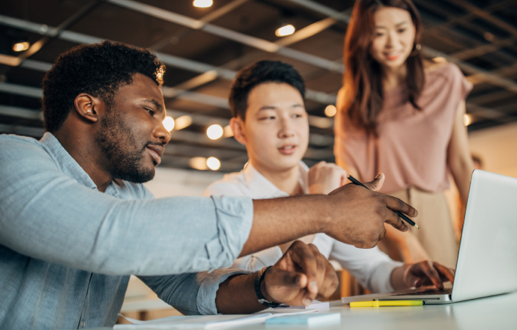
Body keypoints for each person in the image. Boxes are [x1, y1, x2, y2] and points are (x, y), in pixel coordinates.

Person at [0, 41, 417, 329]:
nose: (164, 133)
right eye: (150, 111)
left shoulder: (129, 194)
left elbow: (189, 286)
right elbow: (116, 235)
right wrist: (326, 209)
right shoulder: (12, 158)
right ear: (89, 107)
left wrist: (265, 285)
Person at [203, 60, 454, 295]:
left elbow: (374, 270)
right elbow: (253, 283)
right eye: (269, 117)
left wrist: (410, 275)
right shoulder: (225, 197)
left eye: (296, 115)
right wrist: (319, 201)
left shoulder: (329, 188)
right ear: (238, 129)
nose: (287, 130)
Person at [334, 0, 476, 267]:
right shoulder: (351, 100)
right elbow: (349, 176)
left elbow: (460, 162)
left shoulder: (446, 79)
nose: (392, 43)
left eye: (401, 30)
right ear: (364, 38)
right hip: (380, 218)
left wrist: (482, 226)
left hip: (433, 213)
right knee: (389, 304)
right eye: (378, 33)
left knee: (446, 299)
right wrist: (406, 240)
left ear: (415, 30)